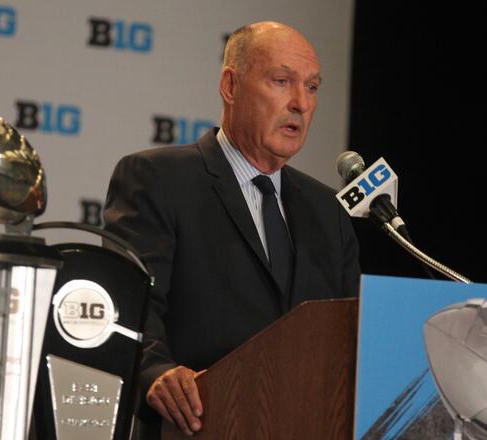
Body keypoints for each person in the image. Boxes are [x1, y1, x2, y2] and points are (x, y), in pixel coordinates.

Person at [103, 21, 360, 438]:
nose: (301, 103)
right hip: (195, 425)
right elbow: (126, 302)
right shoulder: (158, 178)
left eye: (312, 87)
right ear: (230, 85)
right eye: (282, 81)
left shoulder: (327, 212)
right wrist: (155, 371)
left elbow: (348, 337)